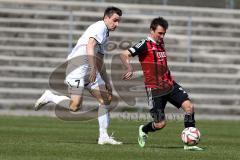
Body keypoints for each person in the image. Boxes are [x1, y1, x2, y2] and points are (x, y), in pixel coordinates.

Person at [34, 6, 122, 145]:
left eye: (118, 21)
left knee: (105, 99)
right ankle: (50, 97)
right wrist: (93, 68)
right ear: (106, 18)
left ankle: (103, 136)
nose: (117, 24)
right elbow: (90, 46)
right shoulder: (99, 27)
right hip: (76, 69)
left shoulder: (105, 33)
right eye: (115, 20)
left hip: (89, 70)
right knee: (75, 107)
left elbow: (100, 60)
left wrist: (107, 82)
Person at [120, 17, 203, 150]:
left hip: (169, 84)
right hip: (155, 89)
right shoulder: (144, 44)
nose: (162, 36)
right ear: (152, 30)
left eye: (164, 33)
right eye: (160, 33)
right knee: (160, 124)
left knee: (189, 108)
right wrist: (129, 68)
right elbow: (124, 54)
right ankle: (144, 129)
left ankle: (189, 143)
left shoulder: (160, 42)